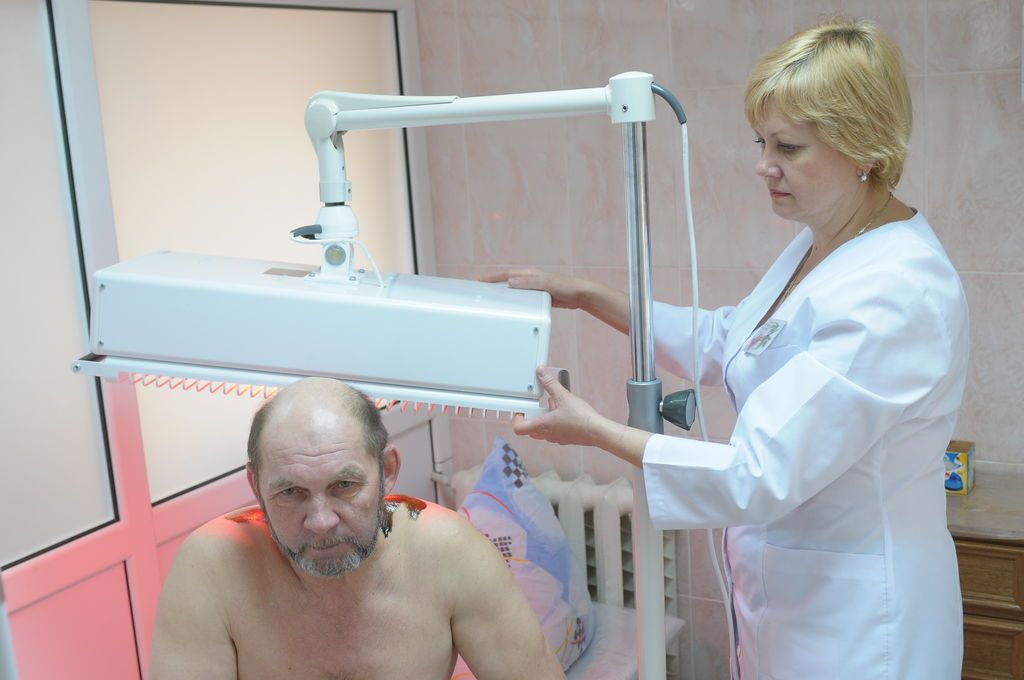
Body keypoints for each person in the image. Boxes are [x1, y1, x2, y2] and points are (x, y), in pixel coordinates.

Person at [485, 18, 968, 680]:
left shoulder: (896, 291)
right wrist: (589, 296)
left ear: (864, 147)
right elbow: (731, 339)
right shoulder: (825, 243)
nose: (763, 165)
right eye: (762, 142)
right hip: (794, 597)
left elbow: (755, 474)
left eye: (788, 147)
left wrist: (594, 431)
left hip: (861, 622)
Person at [150, 377, 564, 680]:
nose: (321, 521)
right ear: (256, 486)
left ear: (388, 471)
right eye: (291, 492)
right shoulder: (212, 567)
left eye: (344, 486)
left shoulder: (450, 553)